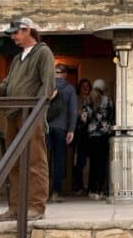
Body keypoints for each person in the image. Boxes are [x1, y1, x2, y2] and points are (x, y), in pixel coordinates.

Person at [0, 17, 55, 221]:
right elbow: (8, 86)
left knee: (35, 161)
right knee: (13, 163)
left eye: (16, 32)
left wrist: (38, 112)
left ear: (27, 30)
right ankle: (15, 206)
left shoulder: (43, 52)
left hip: (31, 113)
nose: (13, 37)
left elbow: (47, 86)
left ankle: (36, 206)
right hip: (13, 114)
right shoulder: (16, 59)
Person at [47, 64, 78, 203]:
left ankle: (41, 192)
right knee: (59, 160)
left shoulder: (47, 86)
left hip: (46, 126)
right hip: (61, 128)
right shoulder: (70, 88)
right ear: (65, 74)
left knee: (43, 160)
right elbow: (73, 111)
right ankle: (55, 192)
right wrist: (71, 129)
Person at [83, 78, 114, 200]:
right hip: (105, 134)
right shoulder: (108, 100)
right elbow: (112, 116)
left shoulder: (88, 100)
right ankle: (102, 190)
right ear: (103, 88)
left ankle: (92, 190)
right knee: (103, 163)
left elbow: (84, 118)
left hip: (92, 136)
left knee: (93, 163)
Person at [72, 78, 92, 195]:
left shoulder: (92, 99)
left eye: (87, 86)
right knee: (79, 161)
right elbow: (74, 112)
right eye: (83, 86)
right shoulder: (76, 99)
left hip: (91, 133)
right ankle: (78, 186)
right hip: (80, 133)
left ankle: (89, 186)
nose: (85, 88)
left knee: (91, 161)